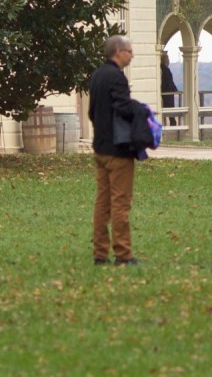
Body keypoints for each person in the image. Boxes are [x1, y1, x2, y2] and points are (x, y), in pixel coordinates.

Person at [87, 34, 140, 266]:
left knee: (102, 202)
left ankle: (100, 253)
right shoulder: (117, 77)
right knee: (120, 202)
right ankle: (123, 254)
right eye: (129, 51)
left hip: (100, 147)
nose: (132, 55)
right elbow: (123, 108)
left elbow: (92, 112)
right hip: (118, 149)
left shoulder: (97, 75)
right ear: (118, 51)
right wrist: (140, 110)